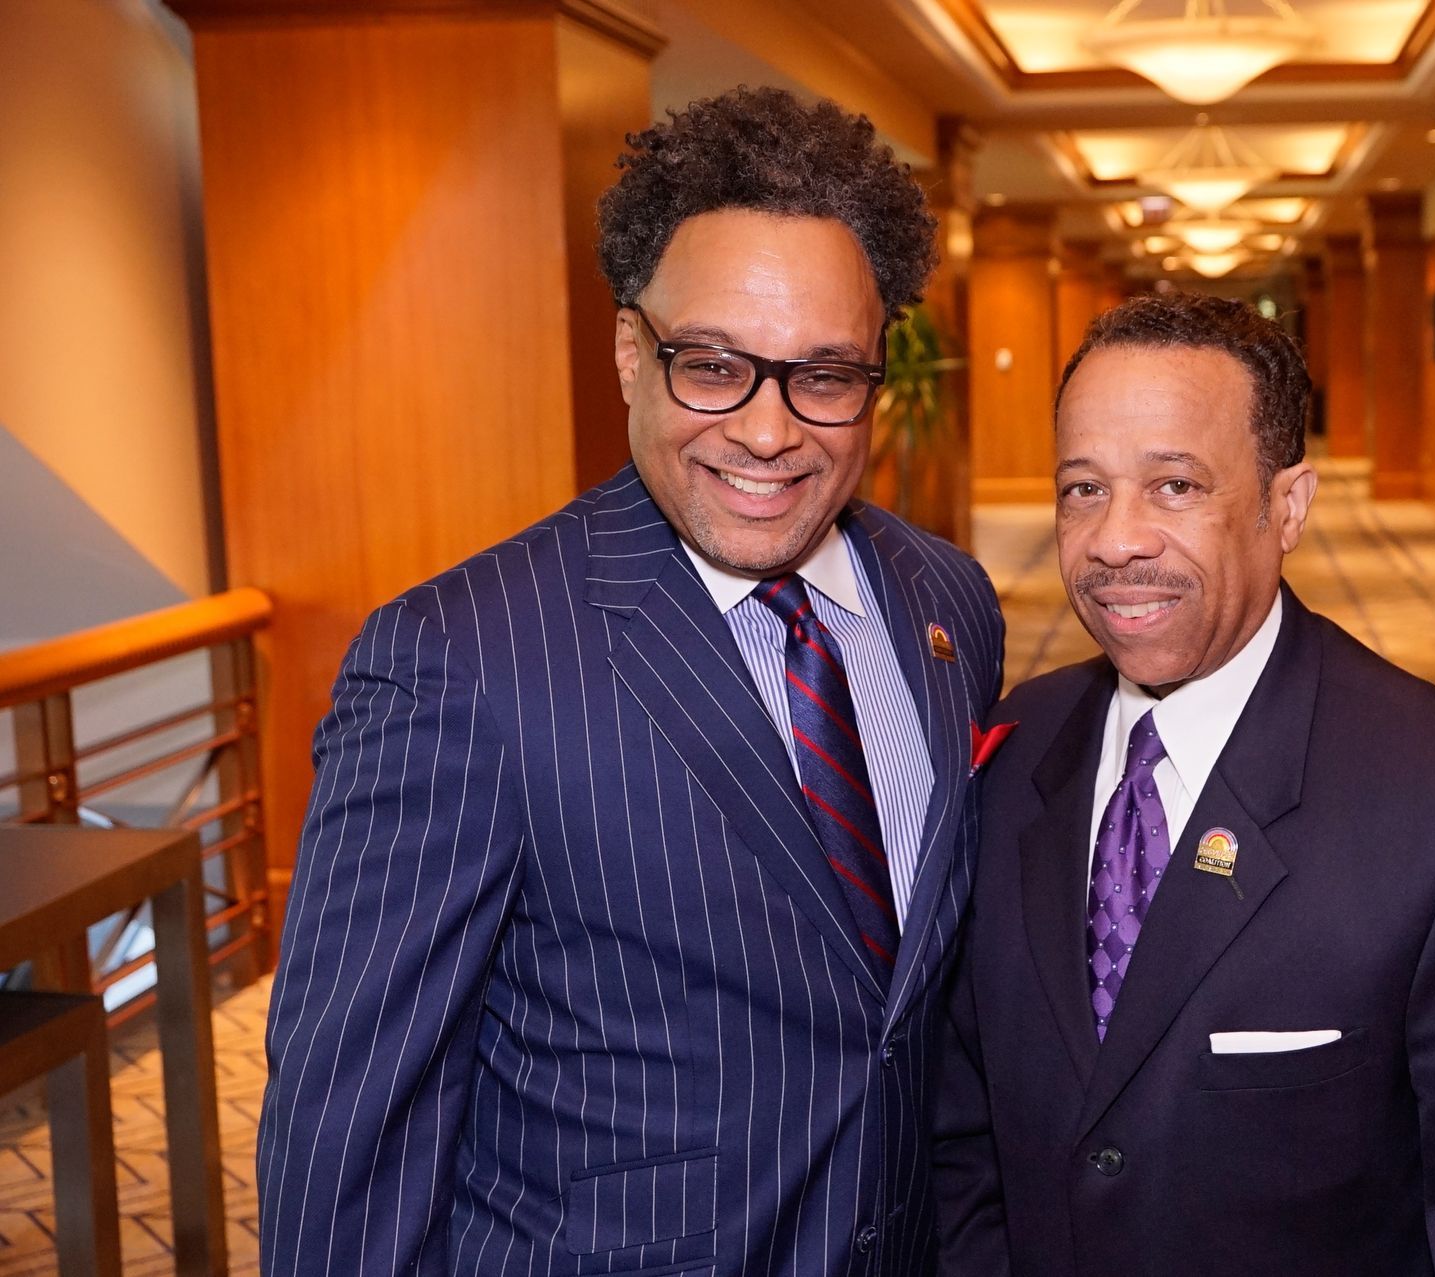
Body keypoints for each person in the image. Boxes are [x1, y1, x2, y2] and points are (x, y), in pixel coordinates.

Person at [258, 87, 1004, 1276]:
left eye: (824, 375)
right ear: (628, 353)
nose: (769, 431)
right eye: (712, 365)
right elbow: (352, 1134)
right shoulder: (459, 662)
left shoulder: (946, 602)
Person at [933, 293, 1435, 1275]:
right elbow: (961, 1130)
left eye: (1175, 485)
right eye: (1083, 488)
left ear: (1288, 506)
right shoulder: (1013, 750)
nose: (1115, 538)